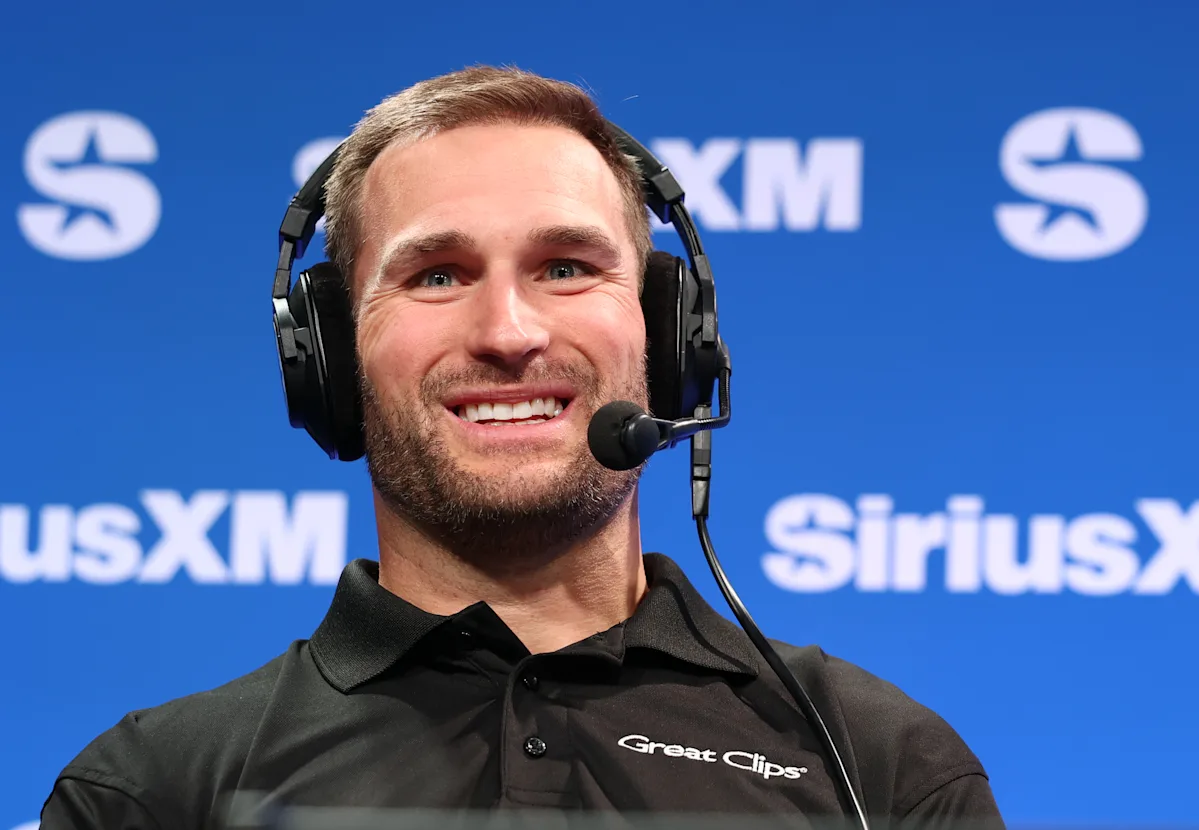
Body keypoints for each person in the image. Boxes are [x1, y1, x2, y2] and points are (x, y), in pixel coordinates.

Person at [41, 66, 1003, 829]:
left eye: (566, 267)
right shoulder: (153, 789)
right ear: (328, 356)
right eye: (436, 275)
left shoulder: (881, 767)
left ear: (668, 333)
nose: (508, 333)